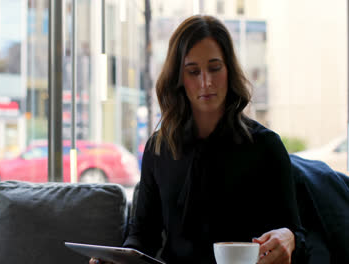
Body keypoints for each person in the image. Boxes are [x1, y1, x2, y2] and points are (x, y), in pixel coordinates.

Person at [90, 15, 307, 264]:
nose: (206, 82)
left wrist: (288, 238)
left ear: (229, 69)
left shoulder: (264, 146)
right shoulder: (159, 148)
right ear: (179, 78)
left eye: (215, 68)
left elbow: (296, 237)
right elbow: (143, 235)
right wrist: (116, 260)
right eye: (193, 71)